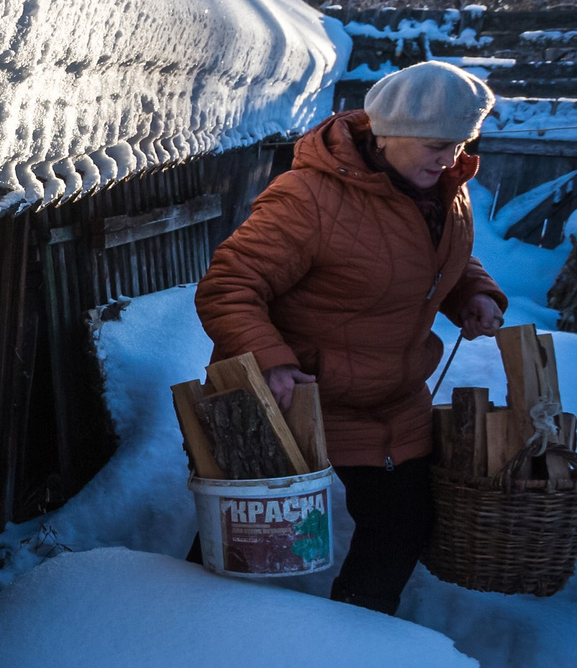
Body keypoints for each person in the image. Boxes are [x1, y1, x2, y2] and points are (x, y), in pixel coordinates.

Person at [195, 60, 507, 614]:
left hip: (392, 399)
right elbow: (229, 285)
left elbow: (437, 258)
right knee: (249, 540)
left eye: (463, 143)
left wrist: (473, 294)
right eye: (439, 144)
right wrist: (272, 363)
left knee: (400, 529)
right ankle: (196, 638)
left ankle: (353, 647)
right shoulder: (307, 198)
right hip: (300, 399)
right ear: (389, 136)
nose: (453, 158)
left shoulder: (441, 188)